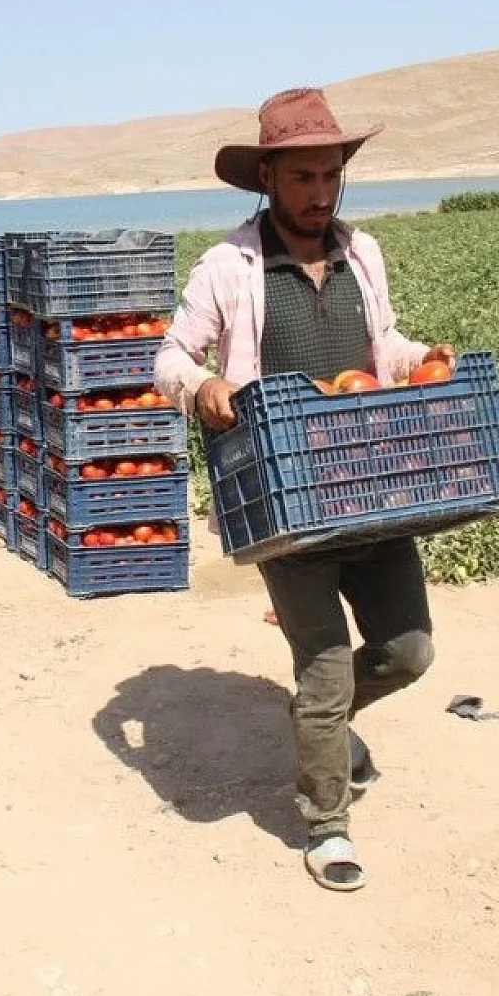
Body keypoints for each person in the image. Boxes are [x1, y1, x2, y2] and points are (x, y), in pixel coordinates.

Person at [153, 87, 456, 893]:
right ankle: (326, 820)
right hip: (285, 497)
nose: (320, 194)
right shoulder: (230, 266)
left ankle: (328, 726)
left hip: (368, 483)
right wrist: (202, 389)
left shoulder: (364, 254)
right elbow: (168, 359)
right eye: (302, 179)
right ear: (269, 180)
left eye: (330, 176)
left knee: (409, 651)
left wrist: (428, 357)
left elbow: (383, 347)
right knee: (322, 669)